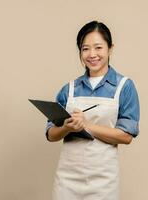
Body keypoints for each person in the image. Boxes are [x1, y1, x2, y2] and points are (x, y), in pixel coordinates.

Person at [46, 20, 140, 200]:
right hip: (67, 178)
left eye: (98, 47)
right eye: (85, 49)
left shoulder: (124, 87)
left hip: (103, 181)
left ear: (110, 48)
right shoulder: (69, 89)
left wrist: (86, 125)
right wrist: (67, 127)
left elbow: (126, 136)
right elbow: (51, 135)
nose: (92, 54)